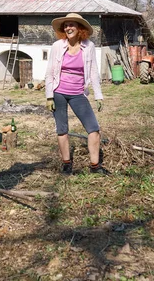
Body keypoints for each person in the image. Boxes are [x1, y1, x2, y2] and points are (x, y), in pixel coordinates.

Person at [44, 13, 108, 175]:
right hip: (58, 92)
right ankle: (66, 164)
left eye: (72, 25)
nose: (68, 28)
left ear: (80, 28)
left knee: (93, 129)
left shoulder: (89, 46)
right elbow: (50, 72)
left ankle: (95, 166)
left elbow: (93, 72)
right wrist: (49, 95)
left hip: (78, 93)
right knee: (62, 129)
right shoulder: (58, 46)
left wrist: (98, 95)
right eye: (66, 25)